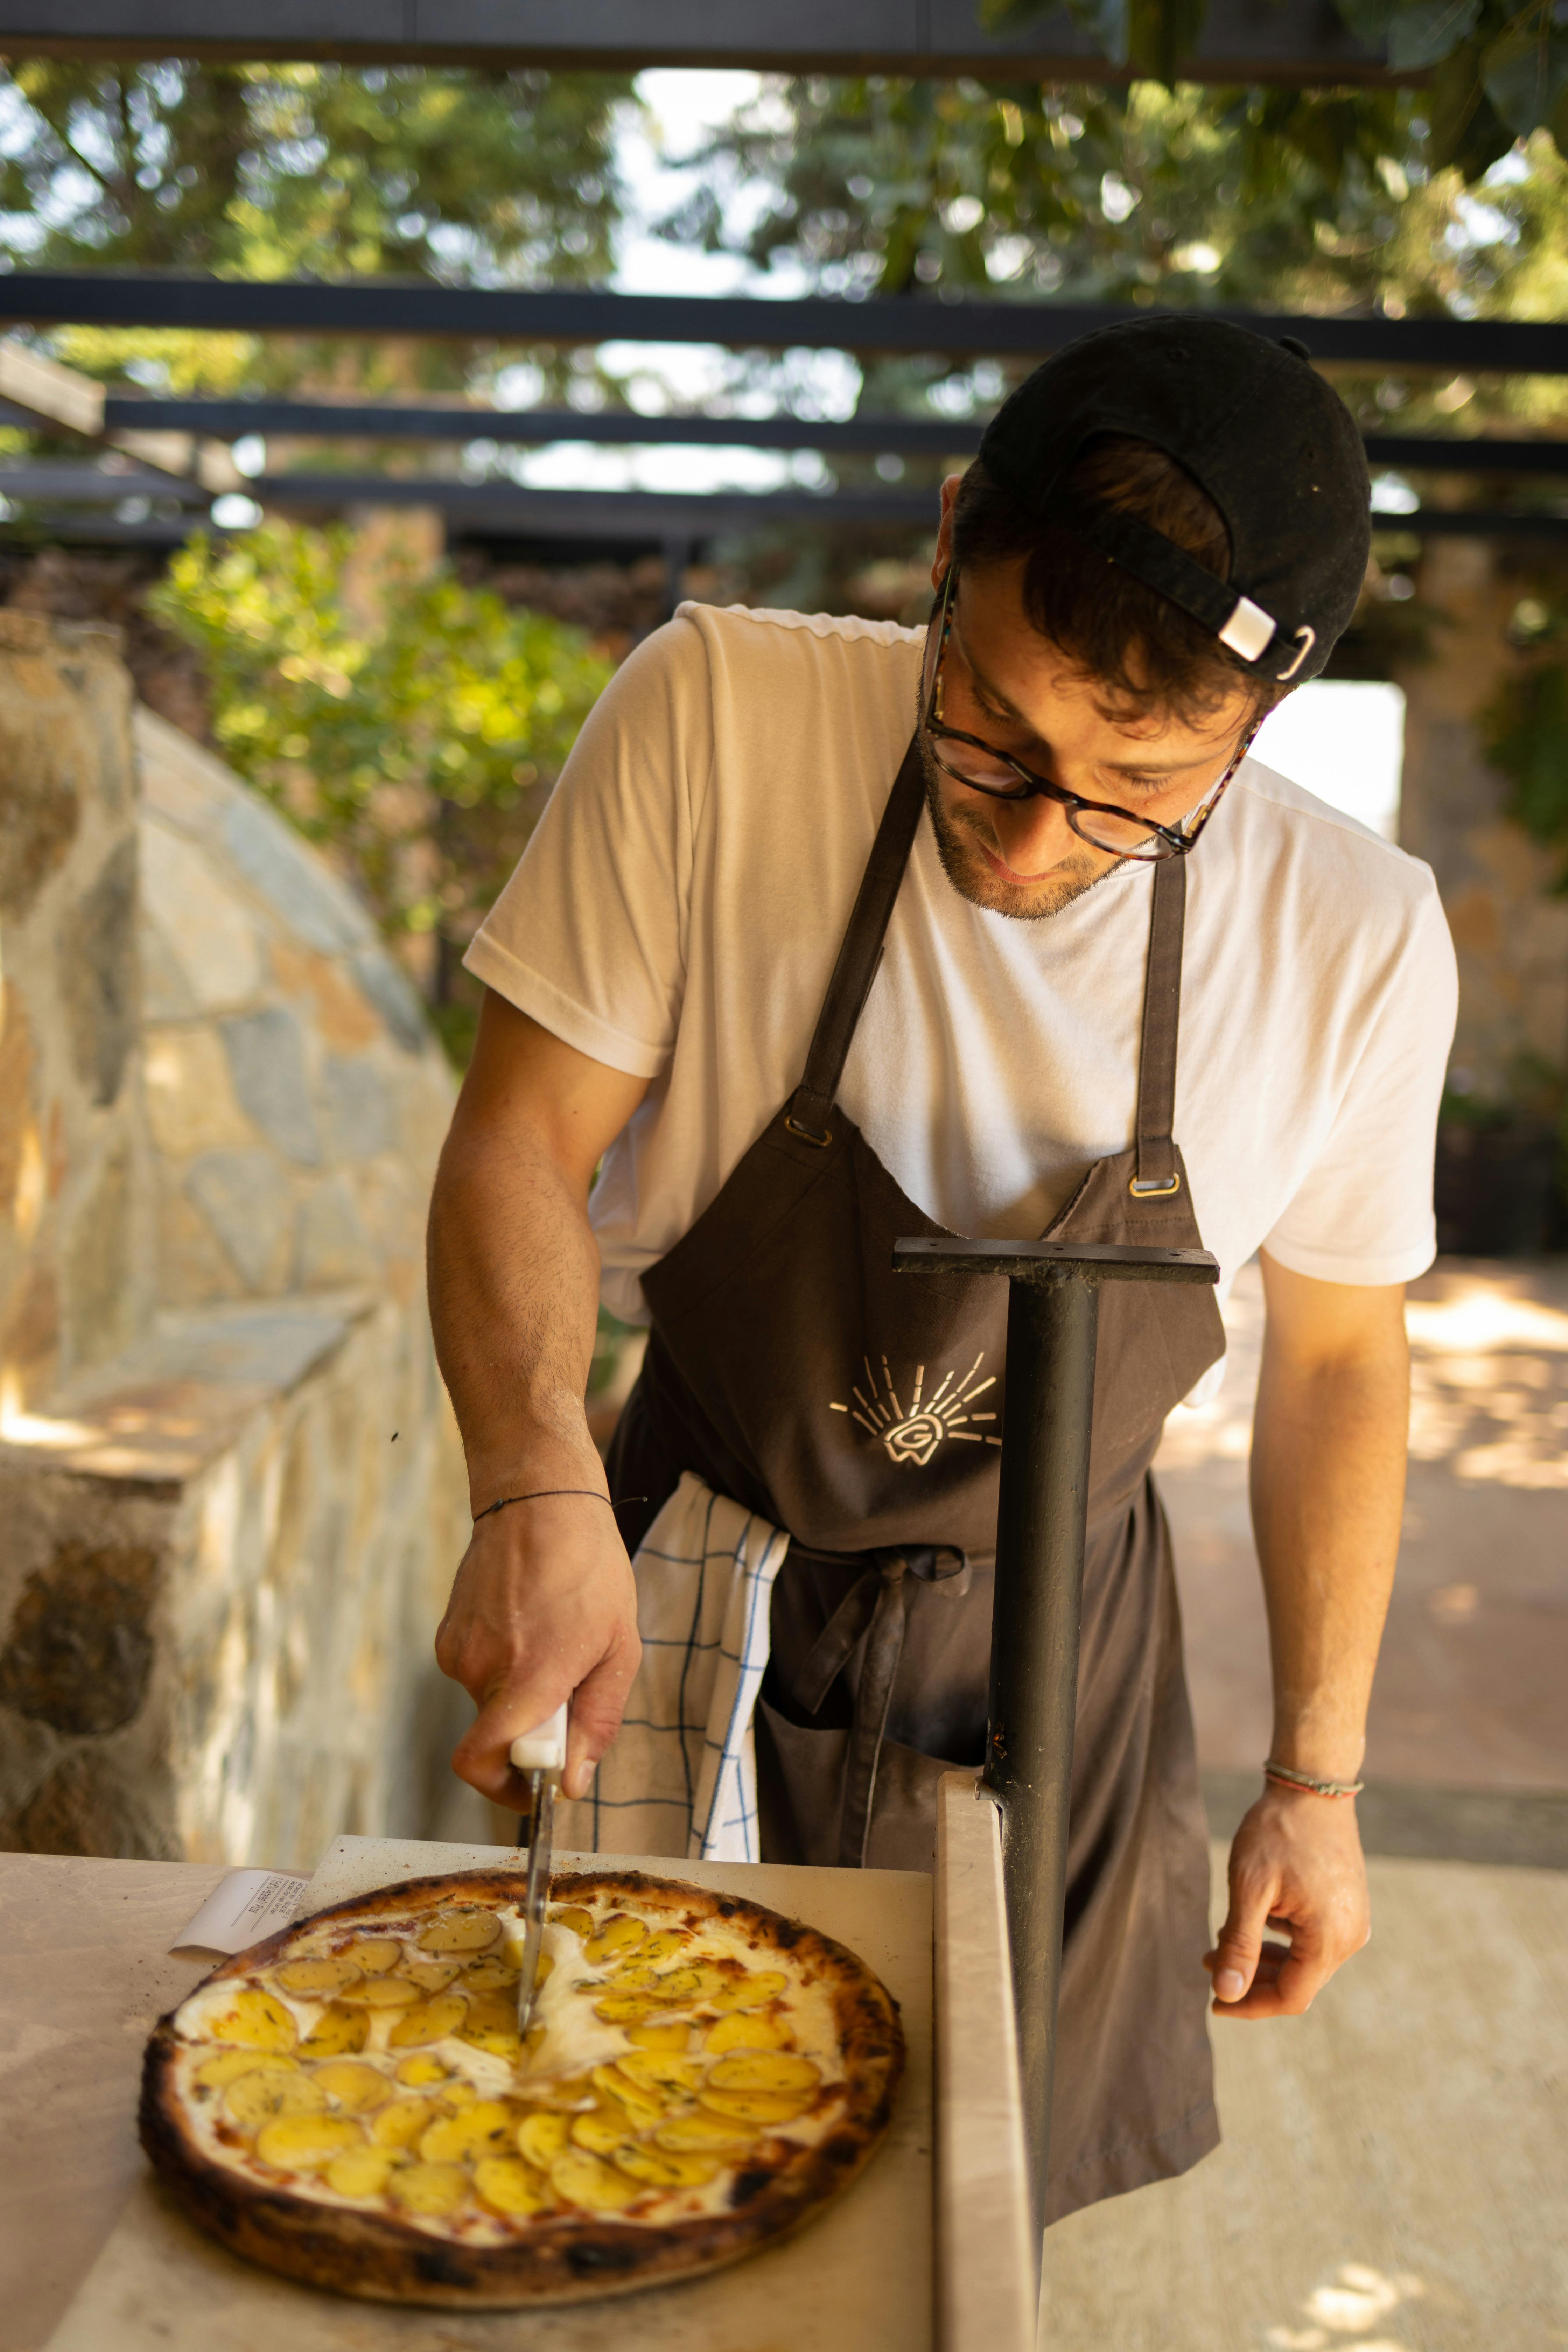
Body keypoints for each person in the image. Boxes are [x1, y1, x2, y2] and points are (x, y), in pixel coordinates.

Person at [427, 315, 1457, 2221]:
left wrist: (1320, 1779)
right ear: (946, 542)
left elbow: (1336, 1367)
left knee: (965, 2237)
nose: (1034, 831)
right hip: (676, 1566)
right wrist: (531, 1479)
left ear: (1258, 725)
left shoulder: (1361, 940)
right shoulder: (717, 717)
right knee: (599, 2151)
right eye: (990, 725)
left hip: (1059, 1660)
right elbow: (518, 1143)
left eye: (1138, 790)